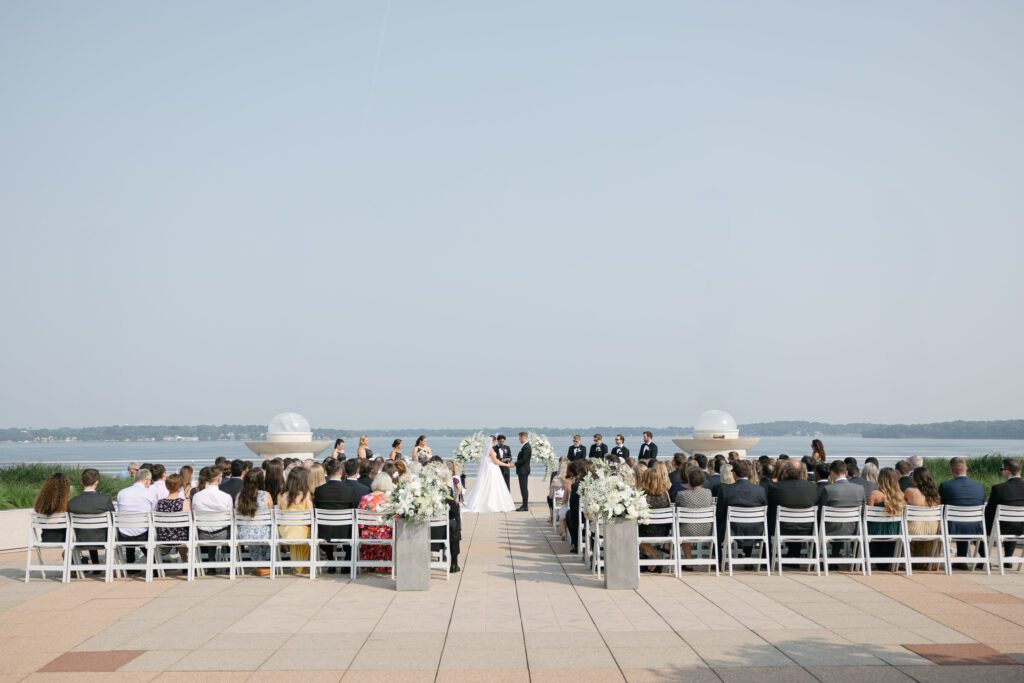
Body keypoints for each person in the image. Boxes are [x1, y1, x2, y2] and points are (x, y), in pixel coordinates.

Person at [313, 459, 369, 572]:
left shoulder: (319, 491)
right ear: (341, 471)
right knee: (352, 525)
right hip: (345, 531)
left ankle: (331, 561)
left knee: (328, 525)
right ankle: (347, 564)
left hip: (324, 531)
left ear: (327, 473)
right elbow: (354, 510)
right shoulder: (349, 490)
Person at [715, 460, 768, 562]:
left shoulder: (725, 490)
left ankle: (719, 559)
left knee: (718, 524)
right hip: (756, 529)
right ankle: (747, 556)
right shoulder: (760, 490)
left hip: (732, 529)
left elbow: (719, 513)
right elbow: (765, 510)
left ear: (734, 473)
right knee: (749, 523)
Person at [768, 461, 820, 559]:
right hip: (807, 528)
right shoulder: (812, 487)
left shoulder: (775, 487)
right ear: (801, 472)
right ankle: (794, 554)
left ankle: (767, 556)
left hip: (782, 528)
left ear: (785, 471)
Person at [939, 457, 986, 564]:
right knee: (967, 520)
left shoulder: (945, 486)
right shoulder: (979, 486)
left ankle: (961, 559)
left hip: (952, 527)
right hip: (976, 527)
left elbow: (941, 506)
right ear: (966, 469)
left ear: (951, 470)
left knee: (957, 519)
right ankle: (984, 556)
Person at [67, 468, 115, 565]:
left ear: (82, 482)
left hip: (79, 539)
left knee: (89, 530)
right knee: (98, 529)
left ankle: (95, 562)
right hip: (103, 539)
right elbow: (113, 521)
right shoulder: (105, 500)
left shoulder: (72, 502)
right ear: (96, 482)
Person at [191, 467, 233, 572]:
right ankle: (231, 563)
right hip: (223, 536)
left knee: (209, 527)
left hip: (202, 536)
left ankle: (211, 563)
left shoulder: (197, 496)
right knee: (226, 528)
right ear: (219, 479)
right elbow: (231, 516)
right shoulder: (226, 497)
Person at [116, 468, 159, 571]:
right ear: (147, 480)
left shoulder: (122, 493)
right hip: (143, 535)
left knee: (130, 526)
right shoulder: (151, 493)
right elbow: (153, 512)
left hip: (123, 536)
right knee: (145, 527)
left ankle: (131, 565)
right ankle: (154, 565)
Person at [985, 458, 1024, 565]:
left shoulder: (999, 489)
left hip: (1004, 527)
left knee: (980, 526)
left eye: (1001, 469)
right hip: (1022, 527)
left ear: (1007, 471)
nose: (1001, 471)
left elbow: (989, 512)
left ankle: (984, 558)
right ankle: (1008, 558)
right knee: (1012, 523)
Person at [866, 468, 905, 570]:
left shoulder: (875, 494)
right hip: (894, 533)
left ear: (880, 479)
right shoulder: (900, 495)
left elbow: (867, 515)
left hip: (875, 533)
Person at [235, 469, 273, 576]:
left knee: (254, 534)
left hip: (245, 534)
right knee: (267, 530)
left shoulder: (239, 496)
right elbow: (271, 515)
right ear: (261, 481)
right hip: (264, 534)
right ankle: (264, 565)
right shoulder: (266, 495)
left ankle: (260, 565)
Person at [278, 468, 313, 575]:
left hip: (285, 532)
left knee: (297, 530)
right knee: (307, 531)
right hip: (302, 532)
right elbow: (310, 515)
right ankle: (302, 568)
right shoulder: (306, 495)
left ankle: (298, 567)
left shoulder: (281, 495)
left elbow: (280, 513)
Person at [676, 467, 713, 569]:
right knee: (687, 525)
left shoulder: (682, 494)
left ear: (689, 480)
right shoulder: (708, 493)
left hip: (687, 530)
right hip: (706, 529)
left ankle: (688, 561)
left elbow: (677, 508)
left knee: (684, 525)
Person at [904, 467, 942, 567]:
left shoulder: (910, 491)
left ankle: (906, 560)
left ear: (916, 479)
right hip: (932, 529)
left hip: (913, 529)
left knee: (905, 525)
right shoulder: (936, 494)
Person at [637, 467, 671, 572]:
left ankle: (654, 556)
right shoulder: (666, 494)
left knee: (633, 533)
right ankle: (651, 557)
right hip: (663, 531)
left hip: (645, 532)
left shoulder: (642, 496)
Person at [155, 474, 190, 566]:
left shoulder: (159, 503)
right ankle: (185, 561)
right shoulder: (184, 503)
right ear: (180, 487)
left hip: (163, 537)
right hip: (181, 538)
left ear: (167, 486)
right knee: (184, 530)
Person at [33, 472, 71, 543]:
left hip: (45, 539)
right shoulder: (67, 508)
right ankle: (69, 554)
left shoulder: (41, 507)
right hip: (64, 540)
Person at [515, 431, 532, 511]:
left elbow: (524, 459)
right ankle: (524, 505)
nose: (519, 439)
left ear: (523, 437)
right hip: (522, 470)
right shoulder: (525, 446)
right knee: (523, 488)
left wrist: (514, 464)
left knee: (524, 488)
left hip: (523, 470)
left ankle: (525, 506)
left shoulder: (527, 447)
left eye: (519, 437)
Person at [548, 458, 568, 524]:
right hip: (568, 502)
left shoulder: (555, 478)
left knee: (549, 498)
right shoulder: (572, 478)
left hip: (558, 501)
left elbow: (551, 495)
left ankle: (552, 517)